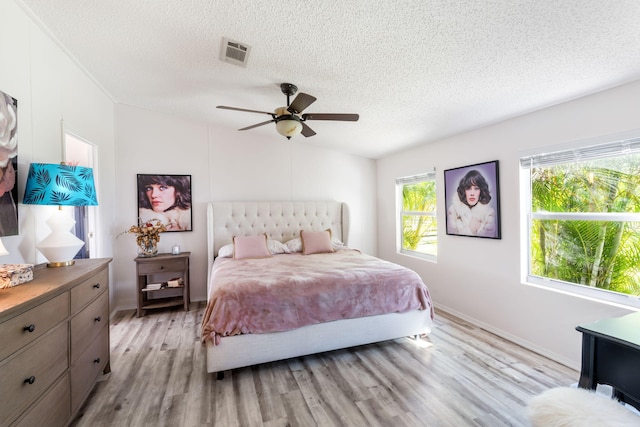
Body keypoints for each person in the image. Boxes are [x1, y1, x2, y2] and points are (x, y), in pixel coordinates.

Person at [447, 169, 497, 237]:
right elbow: (451, 241)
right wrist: (471, 229)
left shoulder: (489, 213)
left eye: (476, 188)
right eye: (468, 188)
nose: (472, 193)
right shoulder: (453, 211)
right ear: (464, 191)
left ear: (481, 191)